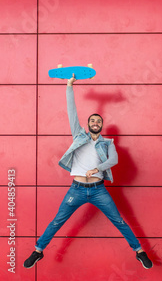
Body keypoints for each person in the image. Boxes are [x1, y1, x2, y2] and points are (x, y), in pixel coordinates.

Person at [23, 75, 152, 269]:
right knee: (58, 221)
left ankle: (139, 252)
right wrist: (69, 86)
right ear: (88, 124)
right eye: (92, 120)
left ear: (101, 126)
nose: (95, 122)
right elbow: (71, 112)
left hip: (99, 190)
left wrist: (97, 169)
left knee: (119, 221)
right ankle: (38, 251)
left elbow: (114, 160)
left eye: (98, 121)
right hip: (76, 189)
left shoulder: (107, 143)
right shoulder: (78, 135)